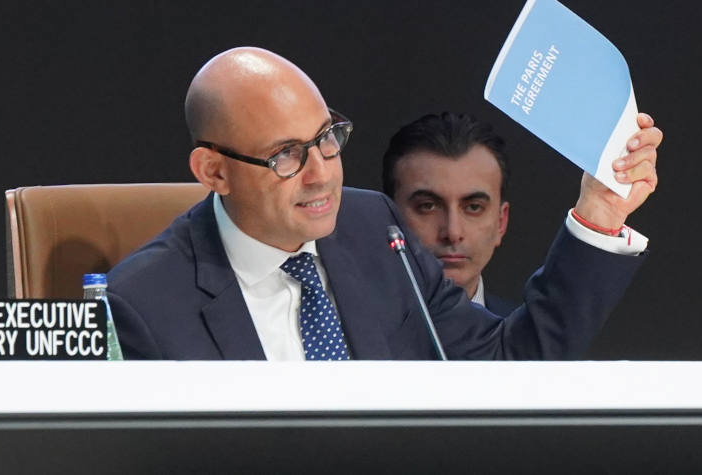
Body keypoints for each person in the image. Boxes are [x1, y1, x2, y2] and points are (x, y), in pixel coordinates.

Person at [107, 46, 662, 360]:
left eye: (327, 138)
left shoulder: (373, 229)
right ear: (214, 171)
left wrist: (600, 213)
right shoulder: (143, 305)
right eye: (286, 156)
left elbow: (505, 364)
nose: (323, 176)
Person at [380, 113, 519, 315]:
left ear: (501, 222)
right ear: (387, 216)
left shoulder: (530, 342)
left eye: (473, 207)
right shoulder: (340, 335)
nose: (452, 232)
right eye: (428, 206)